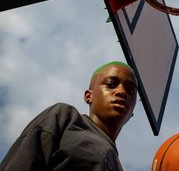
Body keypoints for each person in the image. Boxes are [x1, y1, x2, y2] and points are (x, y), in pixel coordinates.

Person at [0, 61, 138, 171]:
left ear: (132, 112)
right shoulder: (65, 118)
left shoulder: (118, 165)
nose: (121, 91)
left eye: (130, 90)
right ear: (89, 96)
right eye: (110, 84)